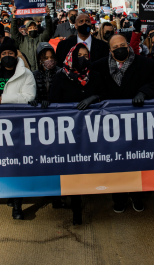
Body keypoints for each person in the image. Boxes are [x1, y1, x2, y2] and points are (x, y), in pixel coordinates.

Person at [91, 34, 154, 213]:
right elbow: (93, 88)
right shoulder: (98, 67)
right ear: (110, 50)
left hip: (137, 125)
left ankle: (137, 196)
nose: (120, 49)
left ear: (128, 46)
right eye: (116, 47)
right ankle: (119, 197)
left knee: (136, 162)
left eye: (123, 45)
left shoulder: (147, 64)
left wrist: (143, 93)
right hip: (111, 126)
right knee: (116, 164)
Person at [48, 42, 103, 225]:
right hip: (68, 133)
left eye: (86, 55)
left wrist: (94, 98)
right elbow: (53, 101)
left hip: (91, 131)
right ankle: (76, 206)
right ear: (71, 56)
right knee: (72, 169)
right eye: (79, 55)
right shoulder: (60, 77)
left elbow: (104, 96)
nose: (83, 59)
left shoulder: (95, 76)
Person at [0, 38, 36, 220]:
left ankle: (17, 204)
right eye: (4, 54)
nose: (7, 56)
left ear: (16, 55)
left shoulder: (26, 74)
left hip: (17, 127)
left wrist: (3, 100)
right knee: (0, 163)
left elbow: (29, 97)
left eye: (10, 54)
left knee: (16, 164)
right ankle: (8, 193)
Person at [30, 43, 60, 108]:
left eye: (51, 57)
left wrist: (50, 102)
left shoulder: (60, 73)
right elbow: (33, 93)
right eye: (46, 58)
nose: (50, 60)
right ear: (40, 60)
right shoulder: (34, 75)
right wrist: (35, 101)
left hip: (57, 111)